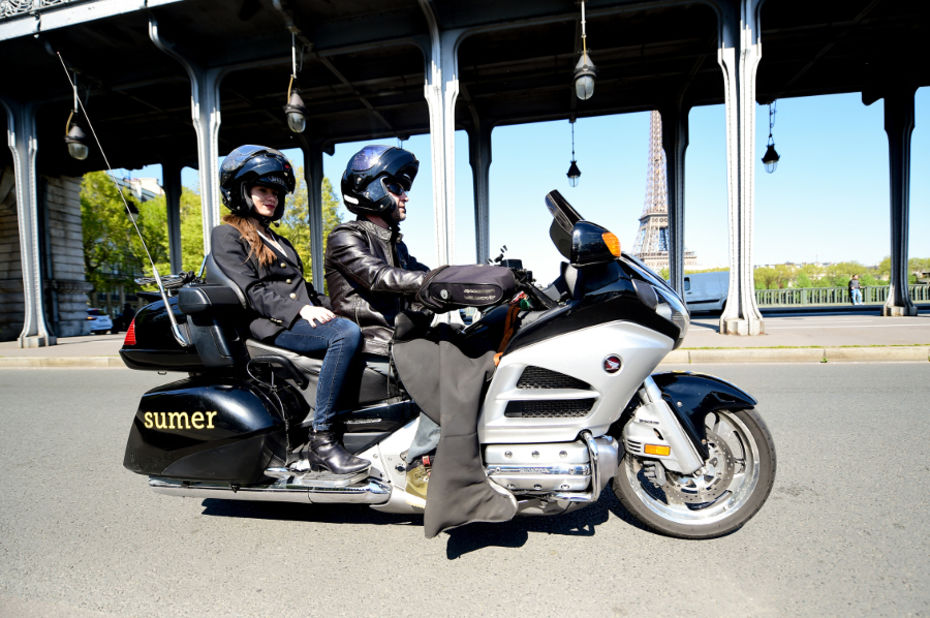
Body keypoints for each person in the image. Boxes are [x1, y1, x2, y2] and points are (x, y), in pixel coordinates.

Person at [210, 145, 367, 476]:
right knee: (344, 335)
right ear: (242, 192)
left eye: (275, 192)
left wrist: (354, 309)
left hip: (292, 317)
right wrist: (300, 312)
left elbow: (307, 292)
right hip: (269, 324)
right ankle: (322, 440)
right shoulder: (227, 235)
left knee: (358, 327)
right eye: (262, 190)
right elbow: (250, 291)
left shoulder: (277, 239)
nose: (271, 198)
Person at [324, 144, 431, 356]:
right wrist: (436, 282)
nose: (405, 197)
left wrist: (473, 281)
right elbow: (378, 276)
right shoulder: (344, 236)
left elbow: (426, 273)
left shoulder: (396, 244)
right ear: (371, 189)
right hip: (371, 345)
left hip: (400, 341)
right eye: (397, 189)